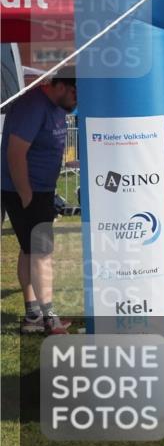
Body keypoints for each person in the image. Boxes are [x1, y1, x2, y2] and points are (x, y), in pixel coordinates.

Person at [1, 70, 77, 334]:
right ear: (61, 86)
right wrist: (26, 194)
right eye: (75, 94)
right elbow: (15, 153)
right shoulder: (32, 106)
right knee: (42, 254)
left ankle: (33, 315)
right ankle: (49, 318)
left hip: (41, 190)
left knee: (29, 251)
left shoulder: (55, 108)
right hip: (27, 191)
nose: (76, 103)